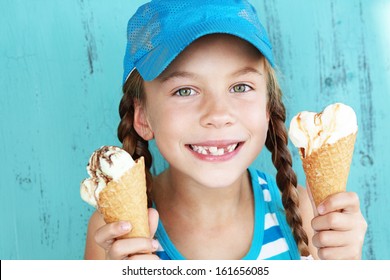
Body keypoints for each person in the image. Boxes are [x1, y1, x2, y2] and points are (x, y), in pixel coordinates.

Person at [84, 0, 367, 260]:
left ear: (268, 106)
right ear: (142, 116)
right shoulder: (114, 233)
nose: (218, 115)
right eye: (185, 90)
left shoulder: (305, 211)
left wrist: (347, 264)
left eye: (240, 87)